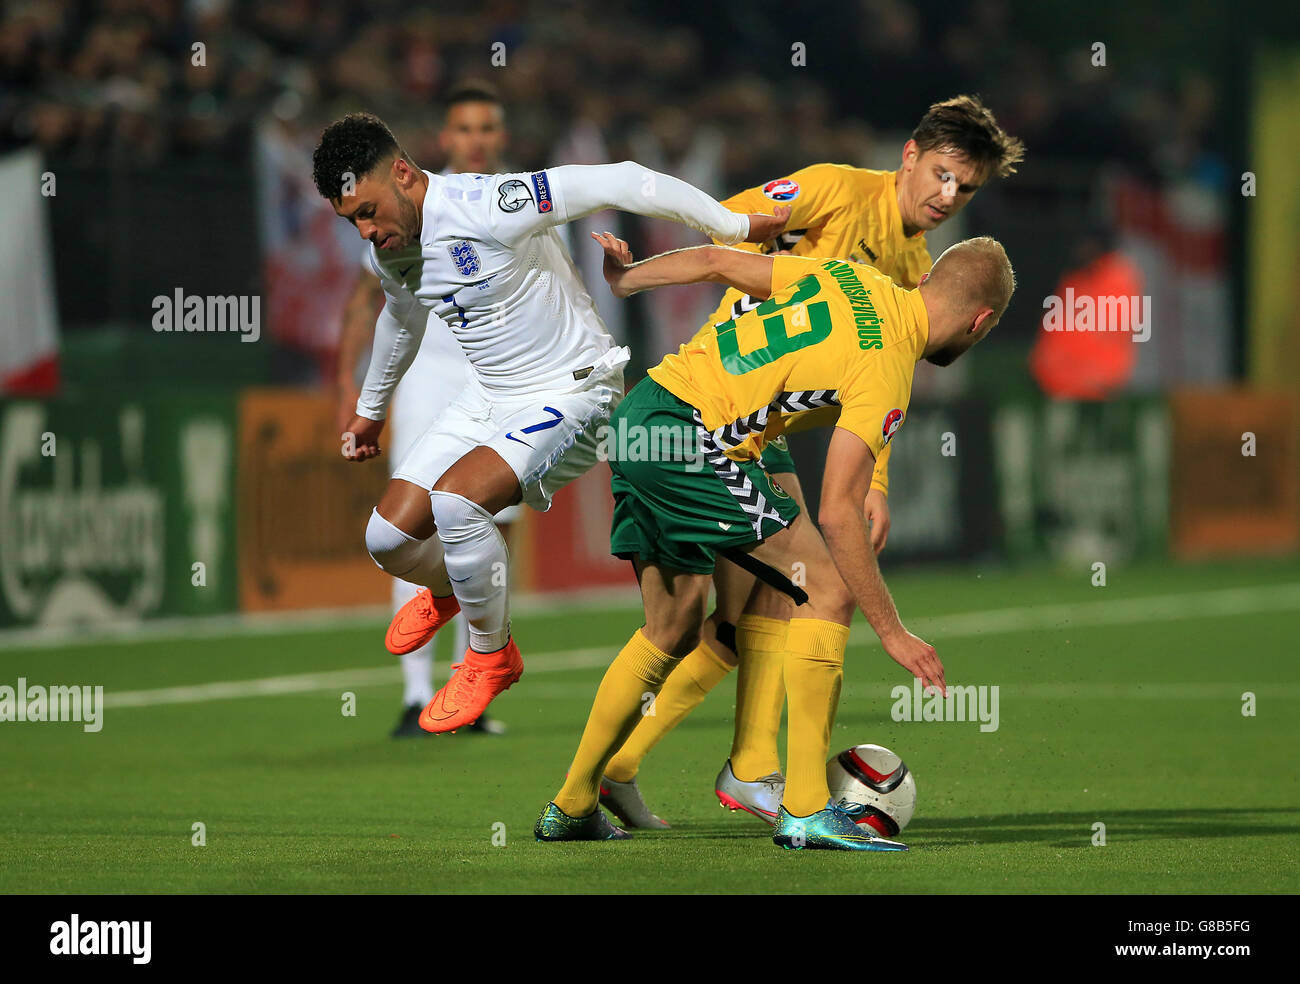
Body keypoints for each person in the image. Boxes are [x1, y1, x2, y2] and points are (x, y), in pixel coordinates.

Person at [599, 95, 1025, 827]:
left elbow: (872, 389)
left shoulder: (918, 266)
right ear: (911, 155)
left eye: (968, 188)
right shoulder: (833, 189)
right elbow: (723, 226)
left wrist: (877, 484)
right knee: (752, 606)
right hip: (719, 396)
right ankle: (734, 773)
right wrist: (651, 270)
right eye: (945, 175)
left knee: (752, 609)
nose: (948, 197)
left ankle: (658, 769)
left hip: (768, 421)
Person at [312, 112, 791, 735]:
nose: (368, 230)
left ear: (404, 174)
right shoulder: (393, 251)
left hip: (576, 390)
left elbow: (618, 179)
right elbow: (400, 320)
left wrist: (732, 224)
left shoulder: (489, 203)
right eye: (353, 221)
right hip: (489, 398)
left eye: (370, 210)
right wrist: (371, 411)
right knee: (387, 540)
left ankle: (491, 655)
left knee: (458, 507)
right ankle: (457, 587)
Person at [536, 231, 1015, 850]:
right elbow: (839, 513)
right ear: (980, 323)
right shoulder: (890, 366)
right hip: (691, 440)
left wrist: (628, 279)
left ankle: (572, 805)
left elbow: (715, 261)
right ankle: (806, 809)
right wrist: (894, 633)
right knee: (827, 590)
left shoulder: (851, 278)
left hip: (640, 418)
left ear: (925, 282)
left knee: (675, 625)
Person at [335, 84, 517, 738]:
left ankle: (472, 688)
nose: (475, 139)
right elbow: (364, 308)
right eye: (463, 127)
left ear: (500, 138)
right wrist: (352, 399)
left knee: (493, 532)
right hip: (426, 379)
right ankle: (416, 695)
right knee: (412, 527)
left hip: (500, 382)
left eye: (487, 127)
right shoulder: (398, 213)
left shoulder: (514, 206)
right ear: (444, 138)